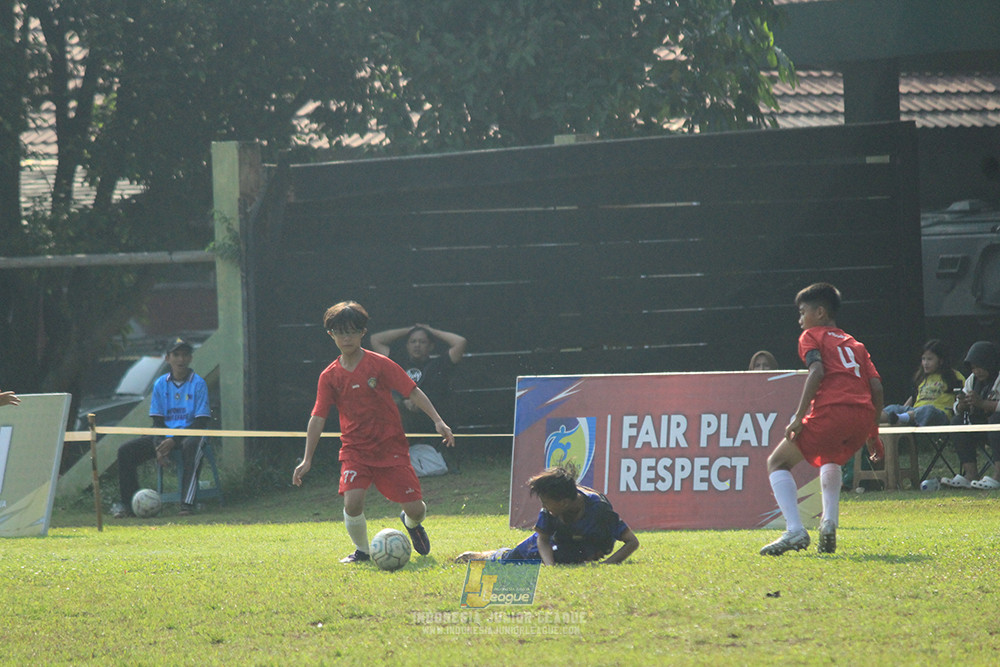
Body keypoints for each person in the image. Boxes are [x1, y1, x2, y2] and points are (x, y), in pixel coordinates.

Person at [292, 301, 456, 563]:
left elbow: (411, 390)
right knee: (352, 502)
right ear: (331, 335)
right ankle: (363, 552)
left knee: (415, 509)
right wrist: (307, 458)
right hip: (355, 450)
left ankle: (412, 524)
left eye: (352, 331)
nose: (346, 337)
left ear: (362, 333)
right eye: (340, 332)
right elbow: (318, 416)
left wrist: (438, 421)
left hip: (390, 448)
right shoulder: (329, 376)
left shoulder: (379, 364)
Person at [760, 283, 884, 556]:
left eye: (803, 312)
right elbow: (876, 388)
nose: (800, 319)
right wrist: (873, 433)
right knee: (832, 458)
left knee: (777, 463)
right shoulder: (856, 345)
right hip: (861, 417)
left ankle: (794, 530)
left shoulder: (811, 336)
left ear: (820, 312)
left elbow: (816, 371)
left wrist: (798, 416)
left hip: (831, 413)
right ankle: (828, 522)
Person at [454, 465, 639, 565]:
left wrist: (607, 565)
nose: (543, 507)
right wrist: (550, 566)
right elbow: (542, 539)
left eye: (546, 503)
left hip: (582, 549)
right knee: (514, 558)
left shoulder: (599, 510)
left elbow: (632, 542)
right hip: (558, 544)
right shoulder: (553, 509)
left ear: (564, 502)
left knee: (565, 558)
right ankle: (483, 556)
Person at [112, 338, 212, 518]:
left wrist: (174, 440)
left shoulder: (198, 383)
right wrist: (159, 446)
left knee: (192, 446)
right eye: (176, 355)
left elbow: (201, 422)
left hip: (190, 436)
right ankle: (129, 505)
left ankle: (187, 504)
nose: (180, 360)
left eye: (184, 355)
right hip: (164, 437)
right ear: (168, 359)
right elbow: (157, 422)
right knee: (125, 451)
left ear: (190, 358)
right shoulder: (160, 384)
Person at [370, 323, 466, 470]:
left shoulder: (439, 364)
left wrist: (432, 330)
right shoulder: (395, 362)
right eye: (413, 341)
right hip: (404, 420)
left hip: (432, 421)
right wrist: (408, 330)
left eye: (422, 342)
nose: (417, 345)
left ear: (431, 346)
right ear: (407, 345)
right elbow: (375, 339)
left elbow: (460, 342)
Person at [940, 341, 1000, 489]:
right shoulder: (972, 380)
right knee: (957, 422)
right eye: (973, 368)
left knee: (996, 420)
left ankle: (998, 476)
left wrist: (983, 404)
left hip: (995, 427)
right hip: (982, 428)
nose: (976, 371)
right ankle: (970, 473)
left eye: (979, 366)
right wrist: (961, 405)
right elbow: (957, 406)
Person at [881, 339, 964, 426]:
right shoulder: (921, 377)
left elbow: (962, 396)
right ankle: (874, 421)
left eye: (929, 359)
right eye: (923, 359)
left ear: (941, 360)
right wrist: (902, 409)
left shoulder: (955, 376)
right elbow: (913, 397)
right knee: (893, 408)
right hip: (915, 411)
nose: (925, 363)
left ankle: (902, 418)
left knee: (928, 410)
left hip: (939, 413)